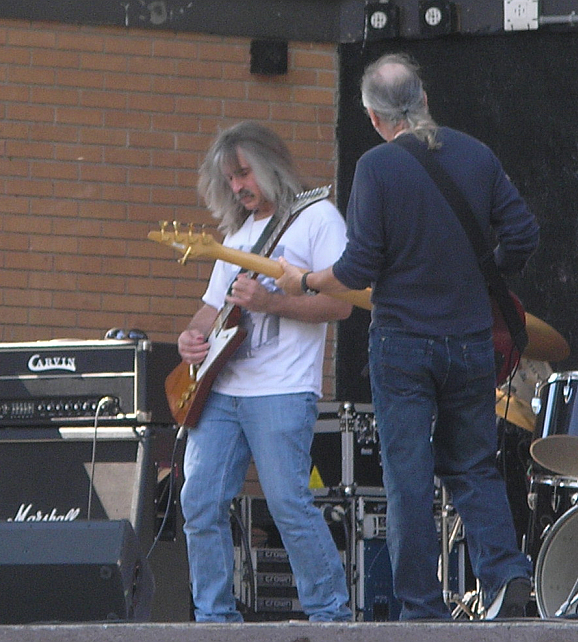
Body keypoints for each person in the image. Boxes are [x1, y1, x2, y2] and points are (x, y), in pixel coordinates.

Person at [276, 53, 539, 620]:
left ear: (374, 117)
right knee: (474, 465)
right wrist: (483, 273)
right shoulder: (476, 154)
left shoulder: (376, 168)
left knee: (409, 478)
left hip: (402, 344)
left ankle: (421, 610)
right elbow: (522, 234)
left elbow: (356, 270)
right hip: (469, 341)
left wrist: (305, 280)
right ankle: (508, 575)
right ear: (423, 98)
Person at [177, 122, 353, 622]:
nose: (237, 186)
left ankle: (331, 617)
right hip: (222, 389)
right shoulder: (237, 233)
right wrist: (191, 337)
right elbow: (210, 308)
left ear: (271, 163)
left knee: (288, 505)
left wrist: (272, 303)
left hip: (282, 388)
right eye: (229, 178)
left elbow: (342, 305)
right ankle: (213, 619)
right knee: (199, 502)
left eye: (244, 173)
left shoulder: (318, 218)